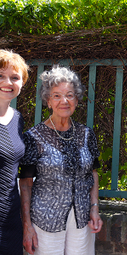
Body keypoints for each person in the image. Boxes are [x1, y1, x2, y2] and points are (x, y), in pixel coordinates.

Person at [19, 66, 103, 255]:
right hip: (44, 220)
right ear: (48, 101)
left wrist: (94, 208)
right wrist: (27, 226)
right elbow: (25, 184)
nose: (64, 101)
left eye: (70, 95)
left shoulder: (87, 134)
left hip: (82, 220)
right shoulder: (34, 137)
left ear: (76, 99)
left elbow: (93, 174)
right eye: (56, 95)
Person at [0, 49, 29, 254]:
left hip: (10, 221)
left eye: (15, 77)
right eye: (0, 76)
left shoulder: (17, 119)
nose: (8, 82)